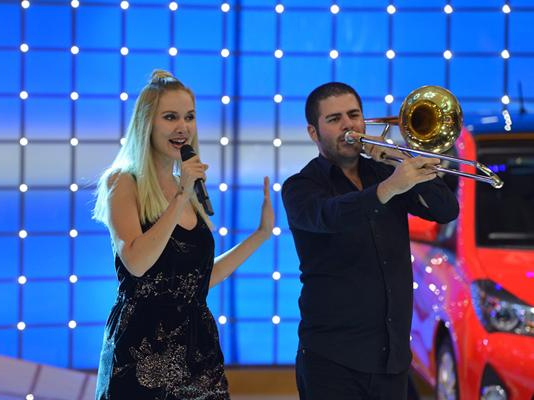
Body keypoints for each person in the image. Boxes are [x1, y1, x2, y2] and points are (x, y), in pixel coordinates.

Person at [92, 70, 274, 399]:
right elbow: (136, 262)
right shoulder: (123, 182)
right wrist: (180, 197)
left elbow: (197, 278)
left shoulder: (186, 188)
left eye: (189, 117)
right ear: (147, 123)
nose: (183, 127)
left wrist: (260, 234)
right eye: (170, 117)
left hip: (197, 346)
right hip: (143, 347)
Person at [281, 82, 459, 400]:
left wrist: (399, 159)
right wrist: (389, 188)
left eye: (354, 115)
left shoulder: (386, 171)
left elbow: (446, 210)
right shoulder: (300, 187)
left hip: (392, 360)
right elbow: (330, 216)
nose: (348, 125)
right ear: (313, 132)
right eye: (334, 119)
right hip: (331, 361)